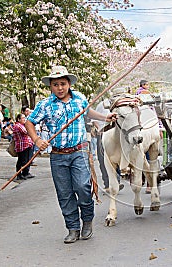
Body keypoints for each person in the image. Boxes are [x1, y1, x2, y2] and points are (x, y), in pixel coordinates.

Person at [25, 66, 118, 244]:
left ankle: (88, 221)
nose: (60, 88)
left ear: (69, 84)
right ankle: (73, 228)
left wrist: (105, 118)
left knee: (83, 187)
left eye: (63, 84)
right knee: (64, 193)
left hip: (79, 151)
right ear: (51, 86)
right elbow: (30, 122)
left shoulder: (80, 99)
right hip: (58, 155)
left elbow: (88, 112)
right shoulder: (45, 105)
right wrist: (37, 140)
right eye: (55, 84)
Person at [12, 114, 34, 180]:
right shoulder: (18, 125)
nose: (24, 119)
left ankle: (25, 173)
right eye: (23, 118)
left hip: (26, 145)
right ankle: (20, 174)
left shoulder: (22, 125)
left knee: (26, 160)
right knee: (22, 160)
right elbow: (26, 132)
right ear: (18, 119)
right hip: (22, 146)